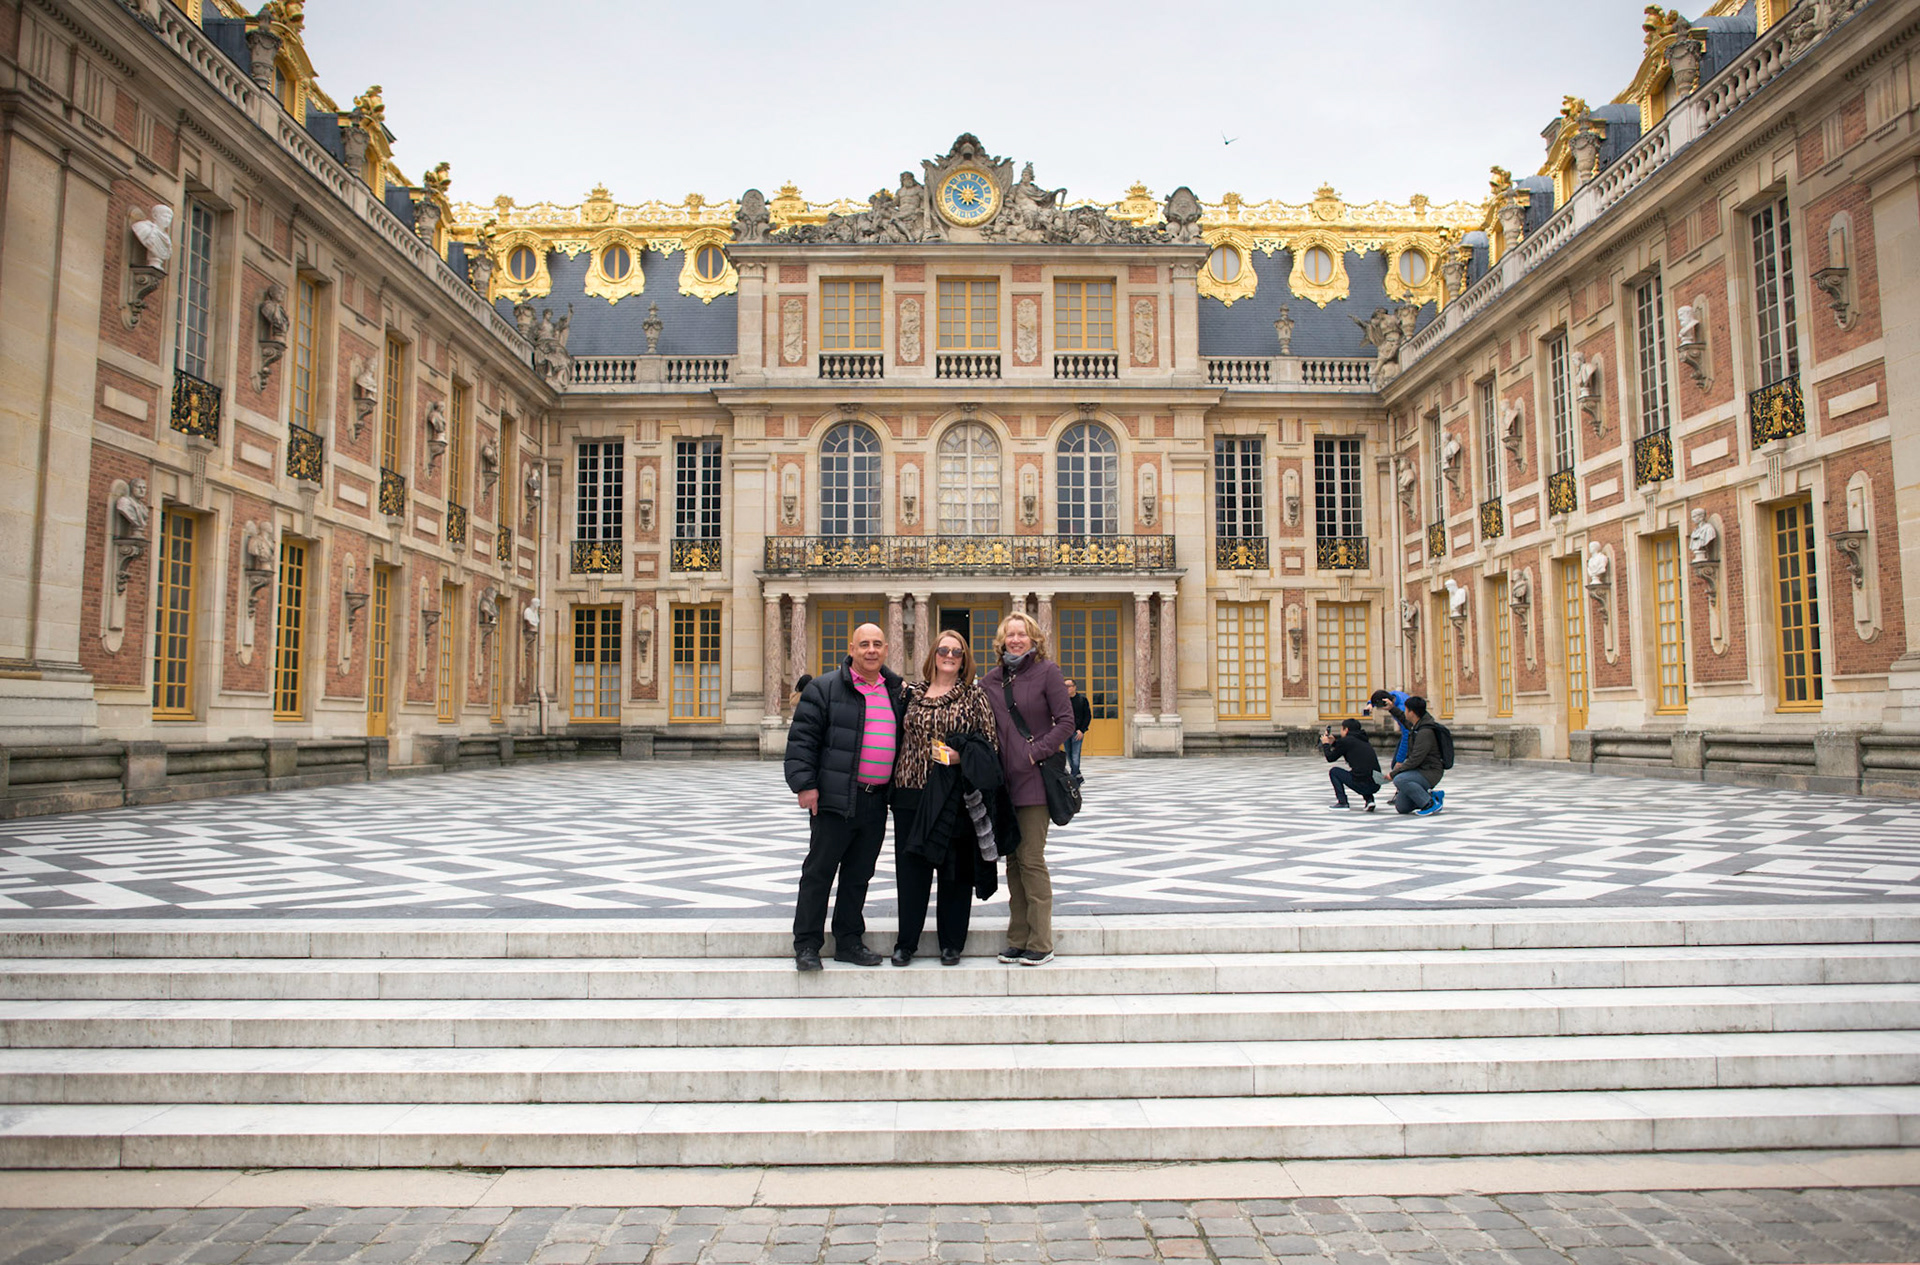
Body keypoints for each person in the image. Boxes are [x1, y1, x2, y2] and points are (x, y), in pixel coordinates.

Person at [783, 623, 906, 971]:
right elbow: (802, 742)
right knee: (819, 871)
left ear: (886, 650)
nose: (871, 650)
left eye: (877, 644)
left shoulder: (895, 691)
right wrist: (805, 786)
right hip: (836, 797)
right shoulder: (824, 688)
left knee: (859, 874)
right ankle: (807, 944)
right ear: (851, 649)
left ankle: (849, 940)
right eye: (864, 644)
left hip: (876, 799)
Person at [889, 630, 1002, 967]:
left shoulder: (974, 696)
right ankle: (906, 942)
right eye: (943, 650)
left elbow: (990, 745)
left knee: (955, 872)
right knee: (911, 870)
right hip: (911, 790)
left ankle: (951, 942)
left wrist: (960, 756)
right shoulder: (911, 693)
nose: (949, 656)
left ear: (964, 658)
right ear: (933, 655)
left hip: (954, 795)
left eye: (957, 651)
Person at [982, 612, 1075, 966]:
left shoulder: (1047, 672)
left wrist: (1036, 751)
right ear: (1002, 640)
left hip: (1035, 780)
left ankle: (1041, 941)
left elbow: (1067, 721)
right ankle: (1017, 937)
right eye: (1011, 635)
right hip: (1004, 784)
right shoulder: (991, 680)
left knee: (1032, 859)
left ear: (1034, 639)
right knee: (1012, 861)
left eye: (1023, 634)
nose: (1016, 640)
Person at [1387, 695, 1447, 816]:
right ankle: (1432, 796)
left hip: (1430, 772)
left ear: (1412, 712)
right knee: (1402, 807)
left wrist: (1393, 773)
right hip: (1420, 770)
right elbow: (1404, 720)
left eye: (1406, 710)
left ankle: (1429, 804)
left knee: (1400, 779)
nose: (1405, 712)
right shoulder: (1418, 725)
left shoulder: (1425, 732)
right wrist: (1391, 708)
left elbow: (1415, 759)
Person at [1320, 718, 1382, 812]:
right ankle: (1369, 800)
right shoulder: (1364, 740)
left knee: (1334, 772)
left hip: (1362, 784)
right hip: (1376, 784)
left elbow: (1330, 758)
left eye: (1341, 729)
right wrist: (1334, 743)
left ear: (1346, 729)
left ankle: (1342, 802)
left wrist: (1326, 744)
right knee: (1361, 772)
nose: (1340, 732)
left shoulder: (1346, 741)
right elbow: (1346, 748)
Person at [1369, 688, 1415, 768]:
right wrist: (1370, 704)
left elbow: (1406, 735)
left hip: (1413, 733)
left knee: (1396, 765)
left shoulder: (1401, 708)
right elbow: (1382, 695)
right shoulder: (1395, 695)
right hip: (1410, 731)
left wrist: (1399, 761)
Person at [1065, 678, 1092, 784]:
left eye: (1069, 686)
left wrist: (1082, 730)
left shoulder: (1082, 700)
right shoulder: (1063, 700)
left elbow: (1087, 716)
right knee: (1069, 755)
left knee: (1075, 755)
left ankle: (1074, 778)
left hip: (1077, 732)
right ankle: (1078, 777)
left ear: (1074, 687)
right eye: (1065, 686)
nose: (1066, 689)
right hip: (1066, 731)